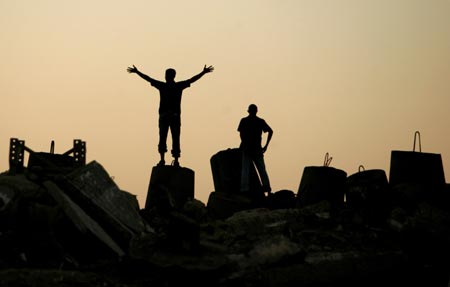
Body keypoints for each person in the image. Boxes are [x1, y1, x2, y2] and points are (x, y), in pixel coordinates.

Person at [127, 64, 214, 166]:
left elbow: (148, 78)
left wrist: (137, 72)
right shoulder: (178, 86)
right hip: (174, 116)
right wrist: (203, 72)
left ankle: (163, 160)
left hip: (166, 116)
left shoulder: (163, 86)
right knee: (175, 138)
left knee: (164, 137)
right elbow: (192, 80)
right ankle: (175, 160)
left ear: (167, 76)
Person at [238, 104, 273, 194]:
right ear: (256, 111)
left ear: (248, 111)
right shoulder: (260, 121)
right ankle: (267, 188)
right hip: (257, 148)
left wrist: (244, 143)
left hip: (247, 148)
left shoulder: (244, 121)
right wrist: (266, 146)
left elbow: (241, 134)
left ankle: (244, 189)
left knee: (245, 170)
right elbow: (270, 131)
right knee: (262, 169)